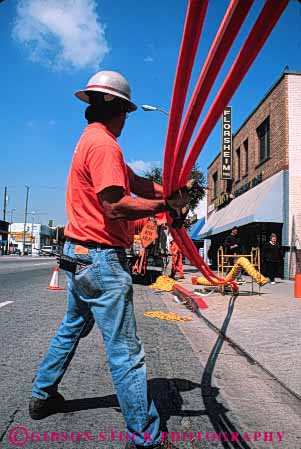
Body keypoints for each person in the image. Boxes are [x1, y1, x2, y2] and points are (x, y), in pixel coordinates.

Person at [28, 70, 190, 449]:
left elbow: (132, 182)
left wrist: (173, 192)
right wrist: (166, 205)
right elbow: (115, 206)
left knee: (72, 328)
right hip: (101, 260)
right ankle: (145, 438)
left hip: (79, 257)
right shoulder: (105, 147)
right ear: (116, 107)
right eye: (127, 112)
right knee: (126, 353)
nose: (127, 120)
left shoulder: (91, 140)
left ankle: (42, 395)